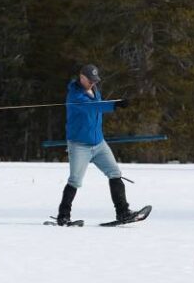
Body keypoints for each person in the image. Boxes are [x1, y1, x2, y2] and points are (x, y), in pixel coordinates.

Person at [52, 64, 146, 226]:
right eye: (90, 80)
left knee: (115, 173)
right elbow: (93, 108)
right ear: (82, 78)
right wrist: (115, 104)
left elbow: (97, 105)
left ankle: (123, 212)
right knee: (75, 180)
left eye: (95, 81)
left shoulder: (95, 91)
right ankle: (63, 216)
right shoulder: (75, 95)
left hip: (99, 143)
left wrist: (113, 103)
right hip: (80, 145)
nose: (93, 83)